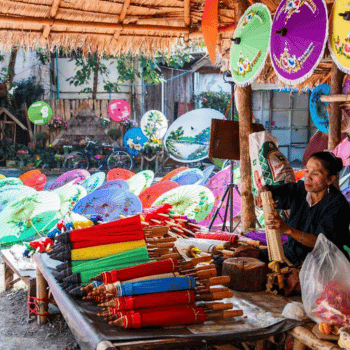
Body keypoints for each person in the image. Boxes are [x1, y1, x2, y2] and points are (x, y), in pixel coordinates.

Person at [255, 151, 350, 265]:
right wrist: (263, 193)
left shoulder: (337, 205)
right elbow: (271, 191)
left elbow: (321, 243)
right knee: (248, 255)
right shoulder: (300, 190)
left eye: (315, 174)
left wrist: (287, 230)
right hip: (292, 254)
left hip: (321, 264)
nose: (308, 177)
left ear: (330, 179)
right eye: (307, 171)